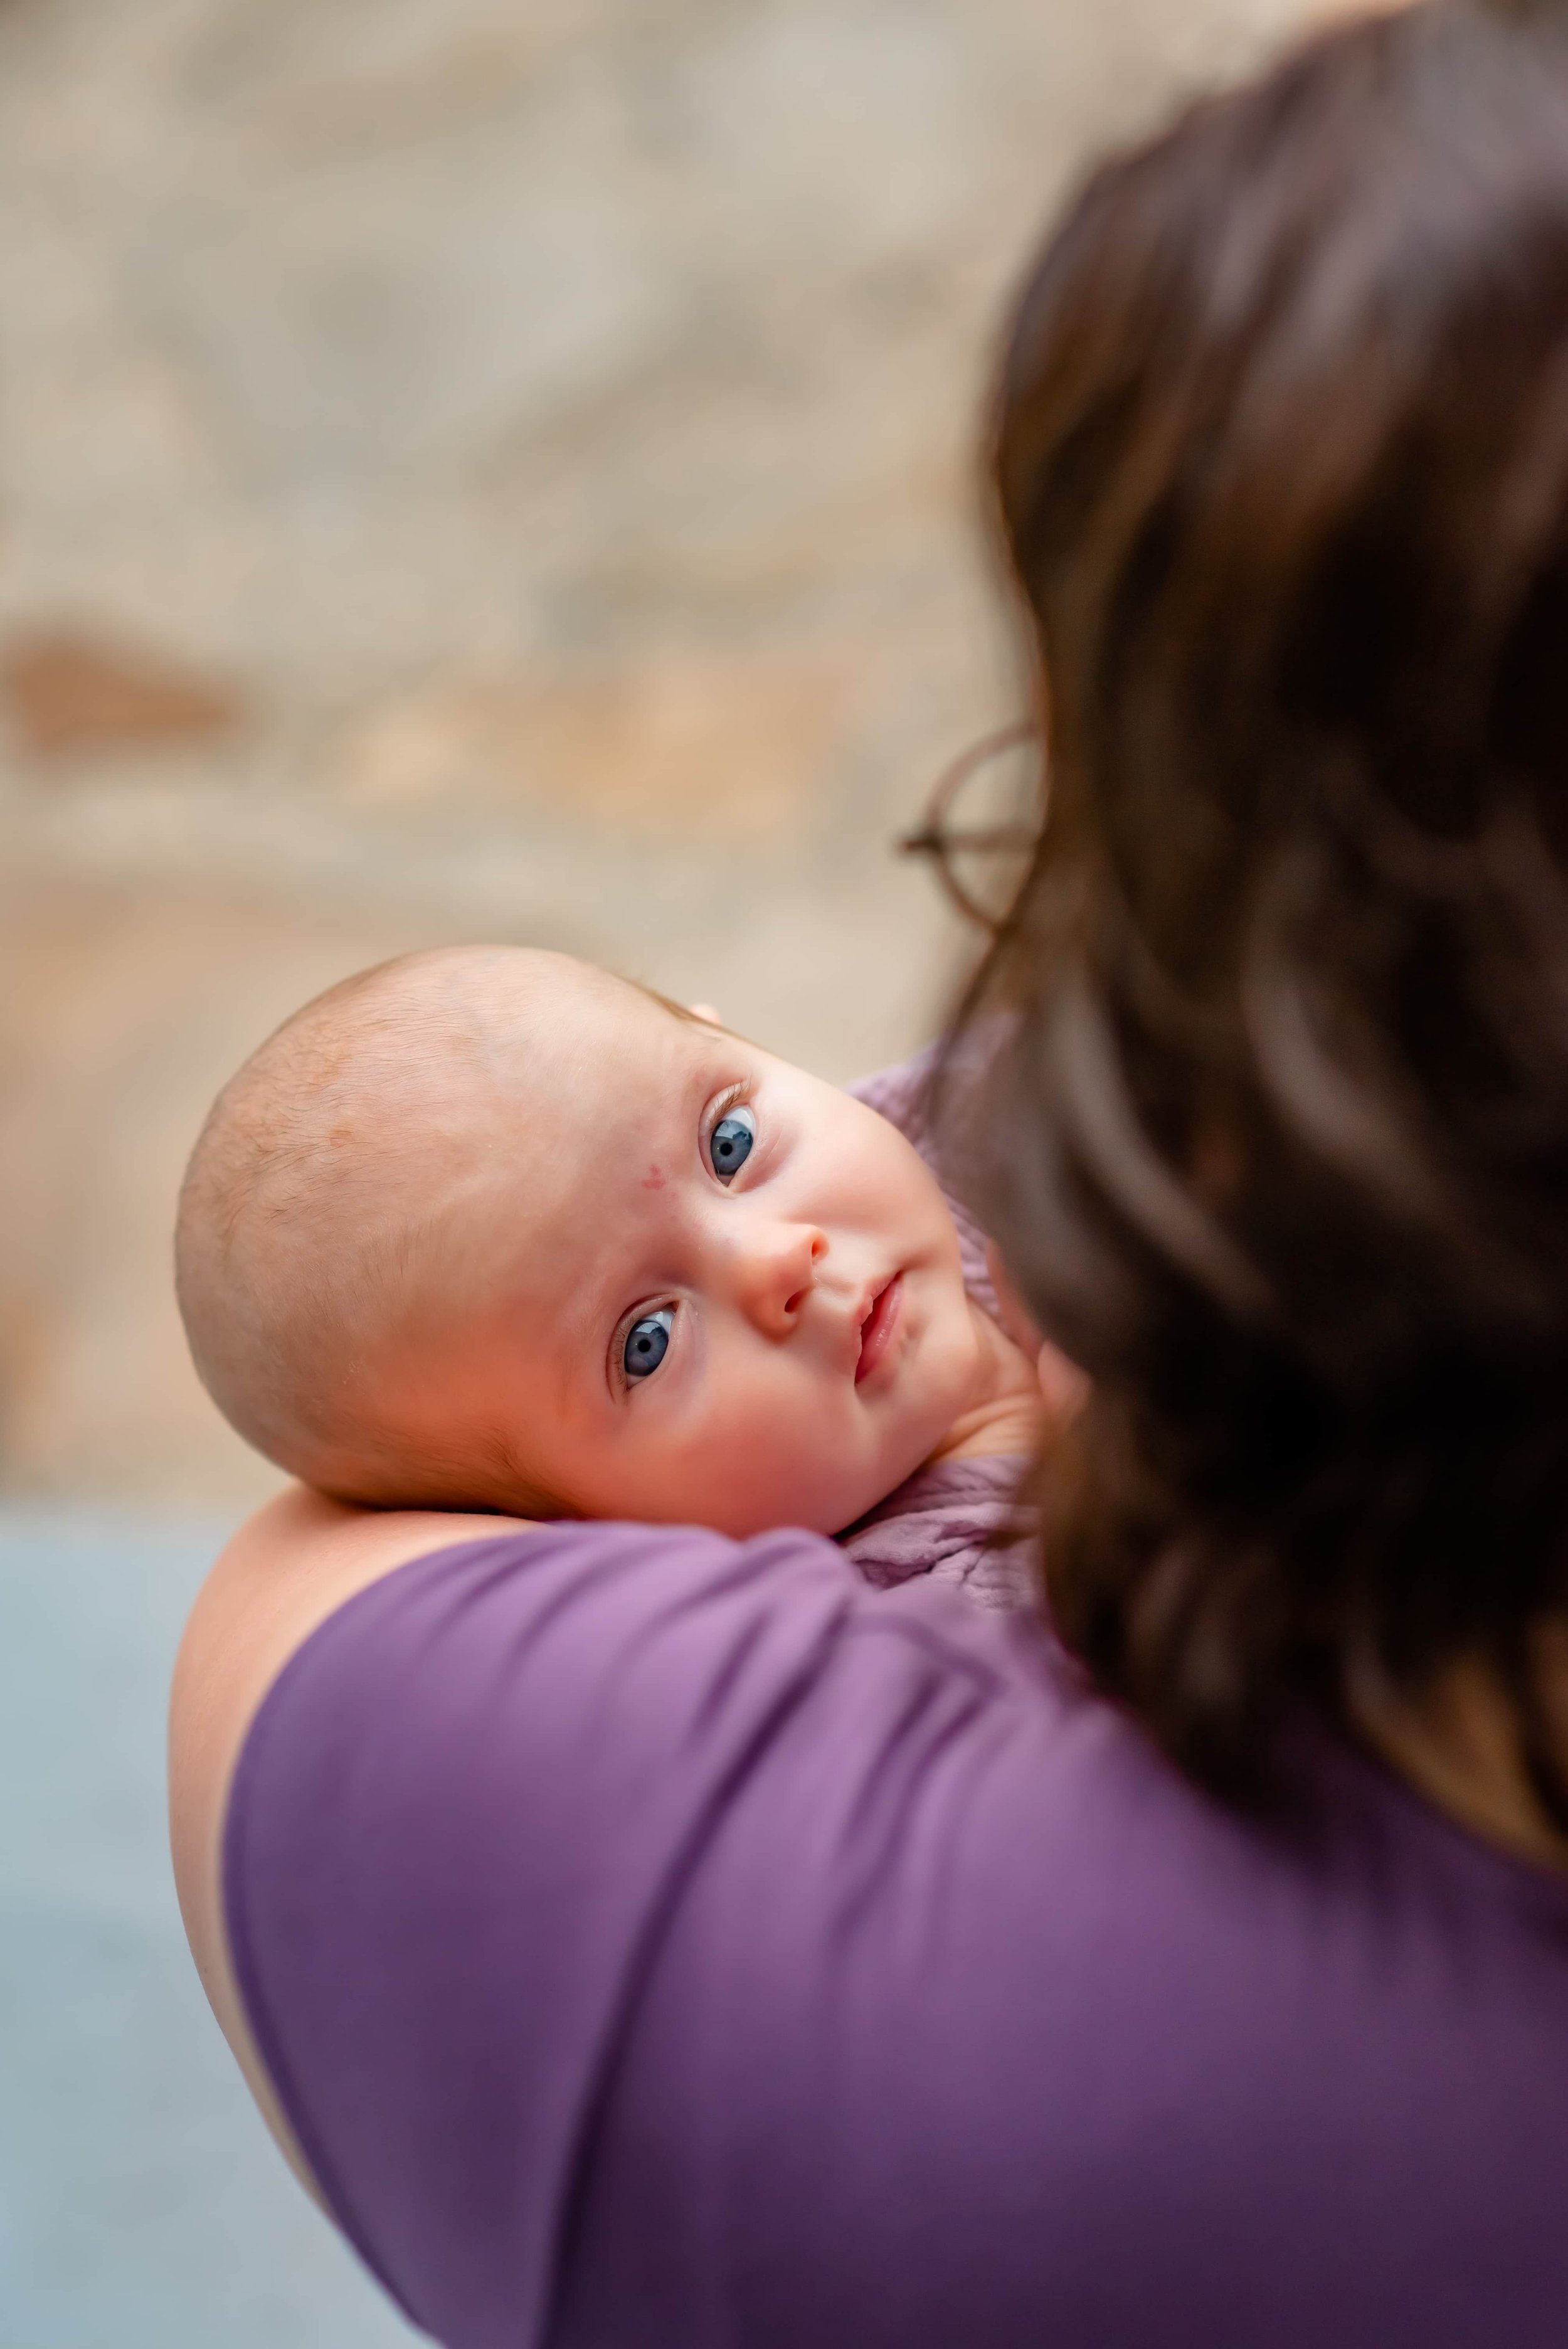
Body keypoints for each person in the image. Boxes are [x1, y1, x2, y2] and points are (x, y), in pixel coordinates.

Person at [169, 4, 1568, 2341]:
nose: (794, 1265)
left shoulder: (905, 2010)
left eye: (732, 1140)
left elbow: (297, 1631)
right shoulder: (900, 1576)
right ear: (560, 1512)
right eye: (641, 1339)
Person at [172, 945, 1042, 1601]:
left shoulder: (1018, 1115)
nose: (777, 1260)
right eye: (647, 1342)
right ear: (585, 1530)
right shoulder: (929, 1628)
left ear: (730, 1038)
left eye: (728, 1143)